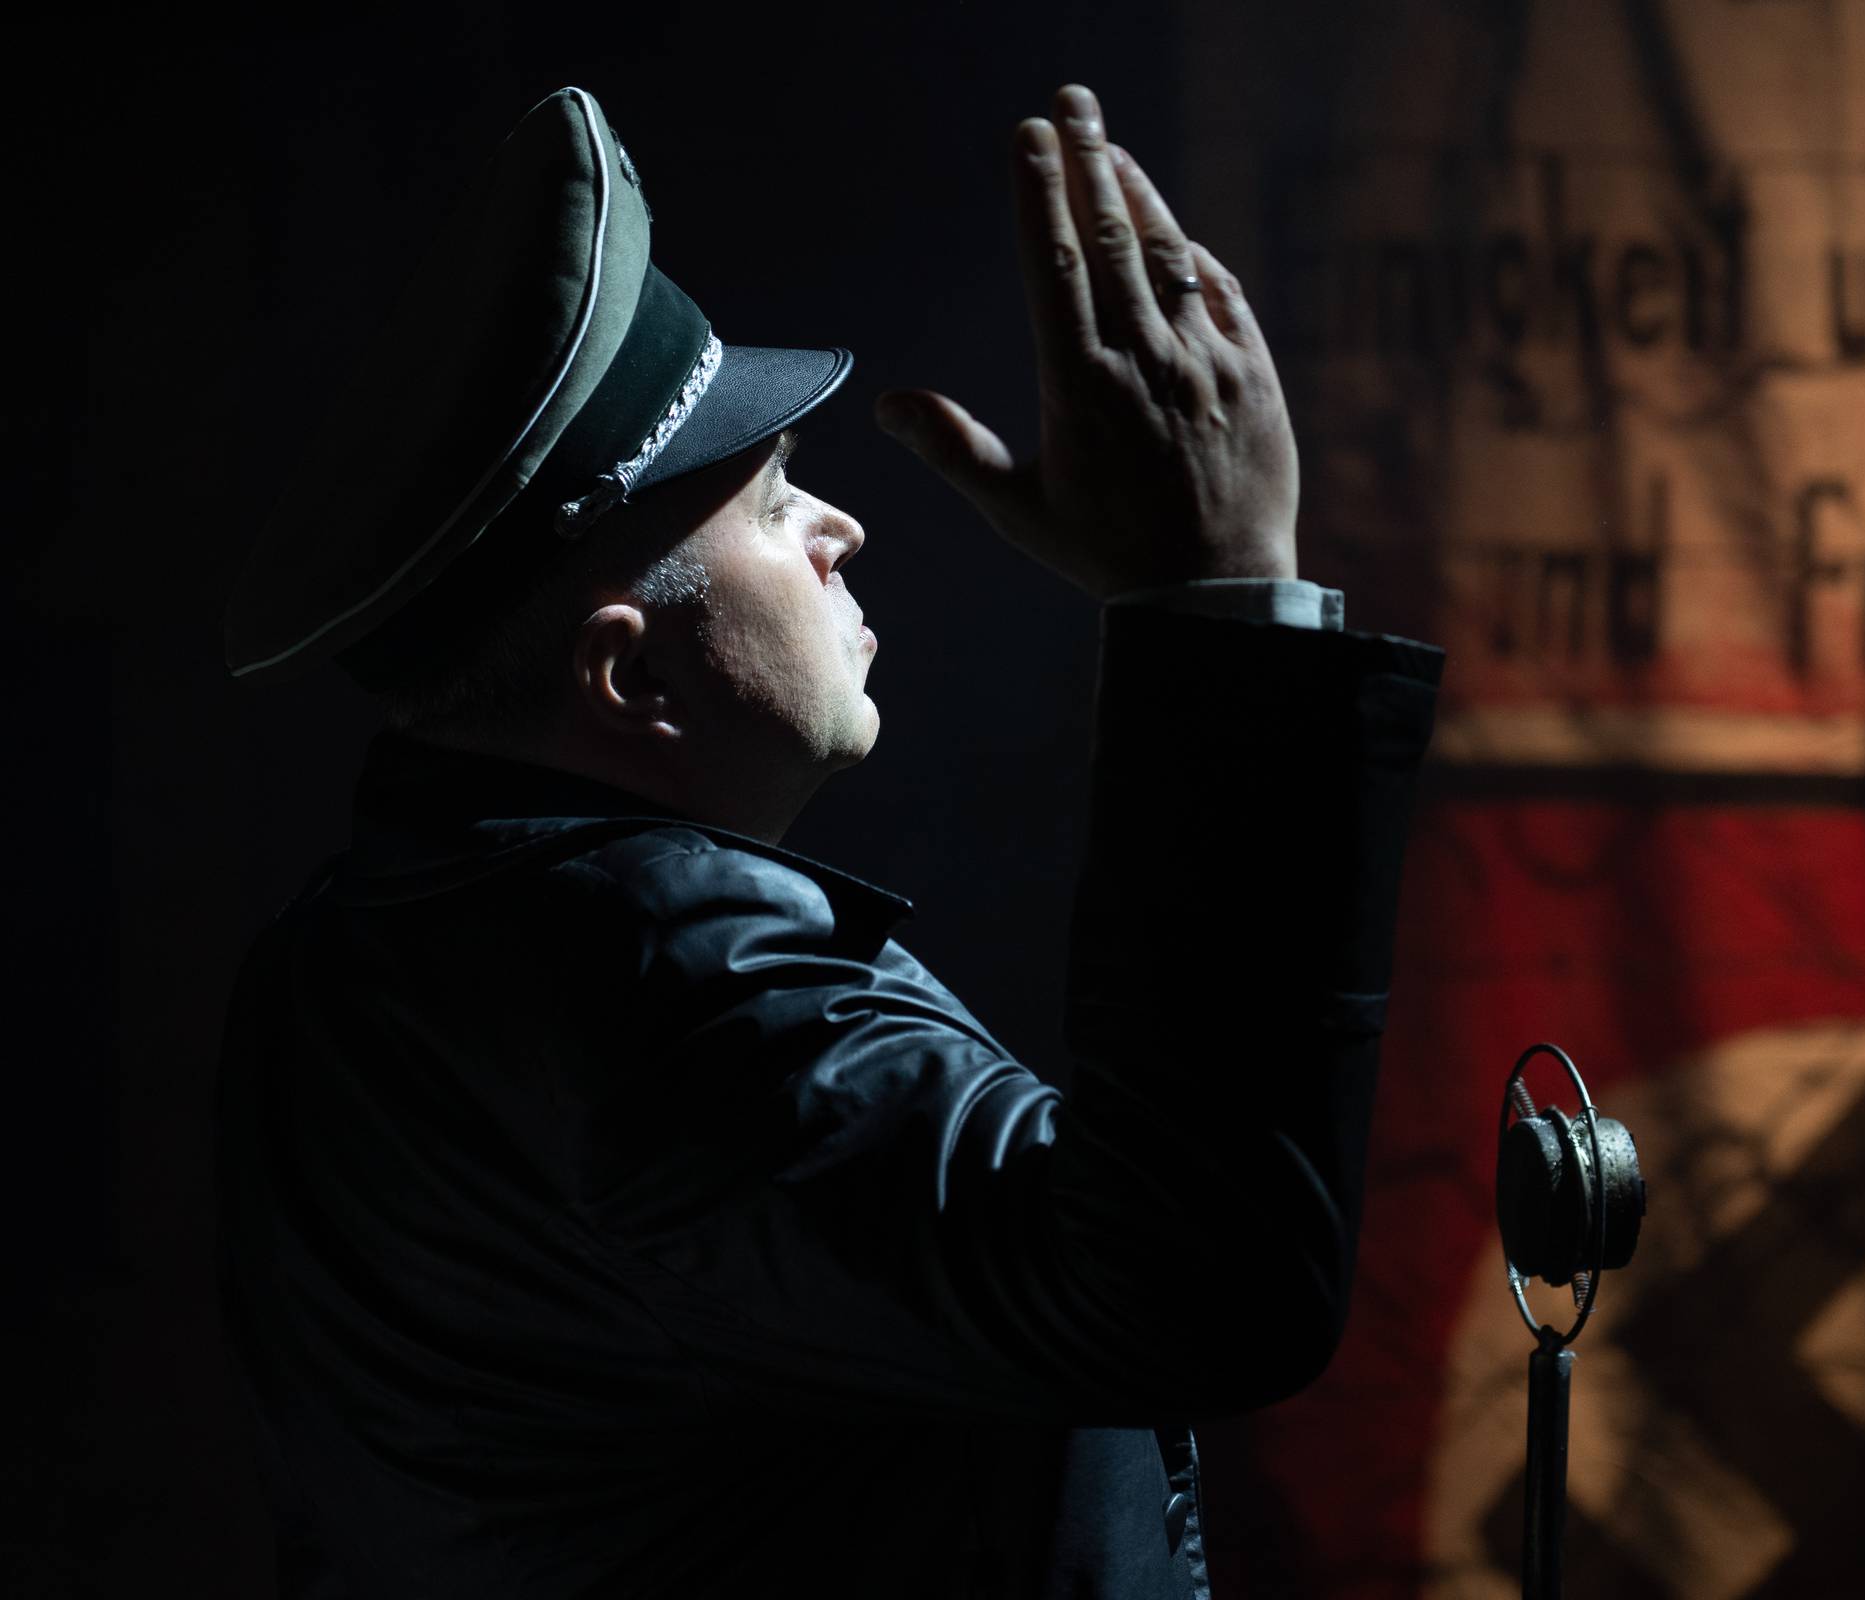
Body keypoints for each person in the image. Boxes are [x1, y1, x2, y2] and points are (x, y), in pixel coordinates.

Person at [214, 81, 1443, 1598]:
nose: (838, 529)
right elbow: (1198, 1285)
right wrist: (1223, 599)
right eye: (772, 498)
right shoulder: (661, 992)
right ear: (630, 678)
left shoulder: (351, 960)